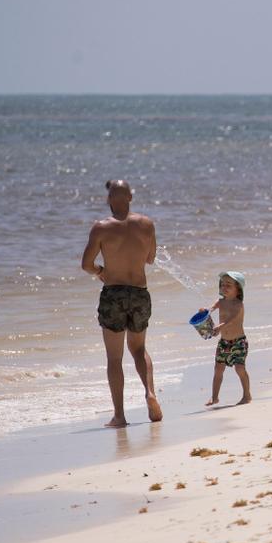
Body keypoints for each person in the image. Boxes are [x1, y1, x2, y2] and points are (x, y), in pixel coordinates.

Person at [81, 179, 161, 428]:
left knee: (114, 358)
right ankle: (150, 393)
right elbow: (150, 259)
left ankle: (120, 416)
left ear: (108, 199)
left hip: (113, 294)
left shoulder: (101, 227)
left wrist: (100, 271)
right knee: (138, 349)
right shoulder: (147, 224)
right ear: (130, 197)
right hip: (139, 292)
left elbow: (86, 265)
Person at [203, 272, 250, 406]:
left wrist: (220, 326)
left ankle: (247, 395)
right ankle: (214, 397)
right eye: (222, 284)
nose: (224, 287)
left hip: (239, 341)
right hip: (224, 342)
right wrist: (205, 312)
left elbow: (233, 318)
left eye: (228, 285)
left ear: (238, 289)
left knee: (240, 368)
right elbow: (210, 308)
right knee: (218, 369)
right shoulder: (220, 302)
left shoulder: (238, 304)